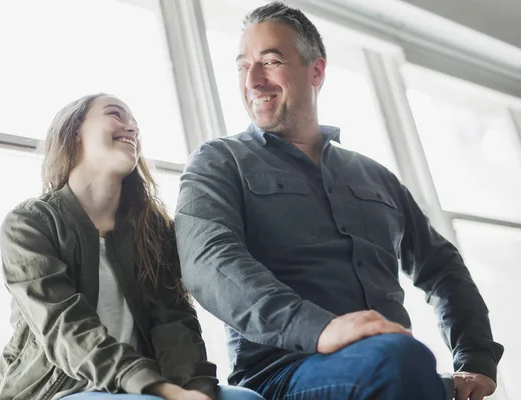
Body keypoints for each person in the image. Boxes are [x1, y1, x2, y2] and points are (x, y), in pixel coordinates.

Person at [175, 3, 504, 400]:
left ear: (316, 70)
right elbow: (208, 261)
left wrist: (475, 359)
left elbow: (443, 267)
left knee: (404, 365)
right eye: (243, 66)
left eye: (271, 61)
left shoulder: (376, 177)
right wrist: (320, 329)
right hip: (284, 375)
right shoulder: (219, 161)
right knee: (398, 360)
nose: (253, 80)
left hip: (394, 371)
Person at [0, 94, 263, 400]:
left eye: (135, 124)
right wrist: (162, 389)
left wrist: (196, 391)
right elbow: (64, 329)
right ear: (74, 132)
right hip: (61, 390)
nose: (131, 128)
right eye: (115, 114)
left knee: (247, 399)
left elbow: (174, 323)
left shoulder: (152, 228)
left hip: (143, 388)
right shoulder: (29, 224)